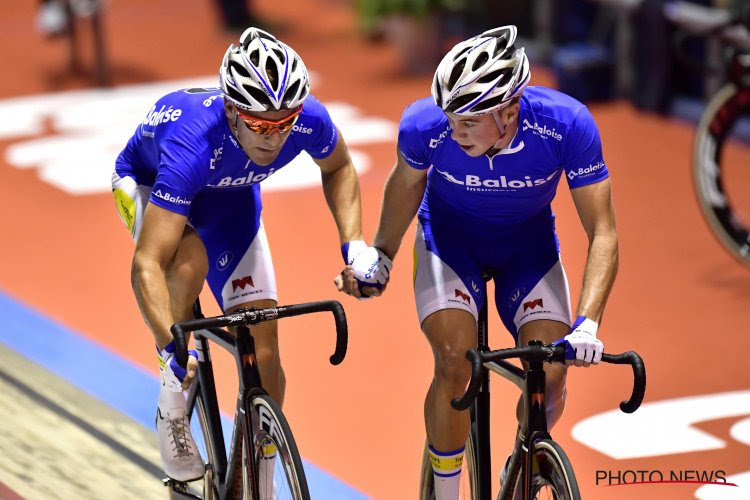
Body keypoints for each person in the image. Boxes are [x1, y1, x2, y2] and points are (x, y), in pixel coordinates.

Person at [336, 25, 618, 499]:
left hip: (527, 251)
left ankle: (525, 466)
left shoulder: (567, 124)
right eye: (451, 117)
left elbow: (603, 232)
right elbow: (406, 185)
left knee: (549, 372)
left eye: (468, 120)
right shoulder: (423, 124)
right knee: (454, 362)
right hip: (449, 244)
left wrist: (588, 323)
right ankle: (446, 490)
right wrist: (380, 253)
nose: (454, 129)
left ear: (509, 112)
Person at [112, 27, 371, 482]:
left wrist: (353, 242)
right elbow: (147, 263)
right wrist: (168, 342)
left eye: (284, 123)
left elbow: (340, 166)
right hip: (153, 184)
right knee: (187, 260)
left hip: (232, 199)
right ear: (232, 109)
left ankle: (258, 479)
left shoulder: (308, 119)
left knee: (265, 353)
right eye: (259, 125)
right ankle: (172, 402)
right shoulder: (191, 144)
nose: (274, 137)